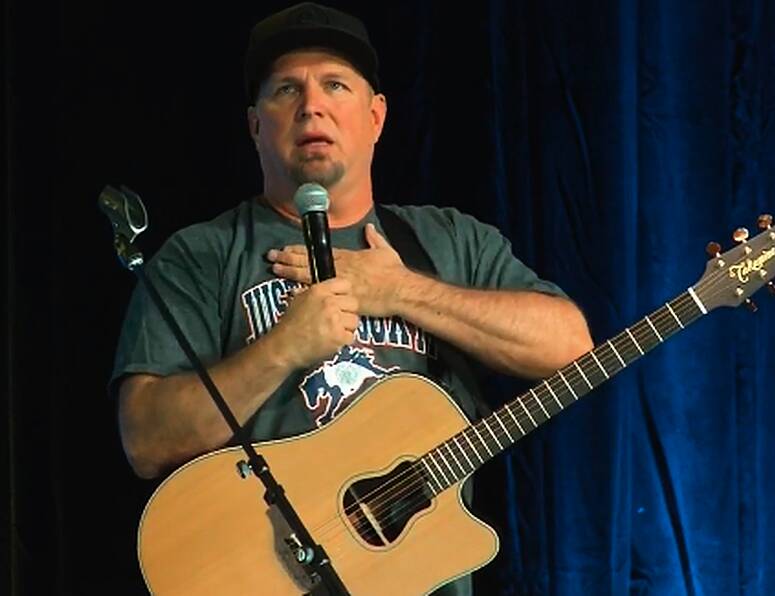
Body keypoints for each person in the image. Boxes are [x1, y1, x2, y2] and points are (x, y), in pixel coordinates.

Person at [111, 2, 594, 594]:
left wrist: (400, 291)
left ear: (376, 117)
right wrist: (283, 347)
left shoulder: (448, 241)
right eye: (286, 89)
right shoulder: (201, 256)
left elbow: (569, 345)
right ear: (255, 126)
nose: (311, 105)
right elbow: (146, 439)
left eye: (334, 85)